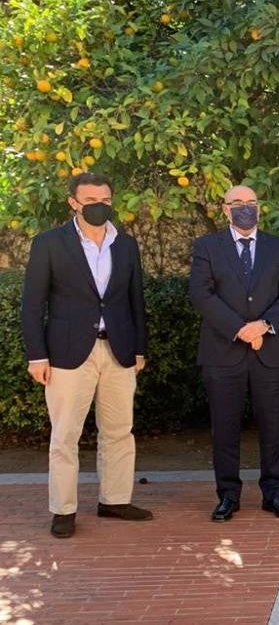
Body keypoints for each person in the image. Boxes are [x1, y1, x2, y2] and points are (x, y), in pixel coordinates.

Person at [21, 173, 151, 538]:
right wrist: (36, 355)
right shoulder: (49, 243)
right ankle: (63, 509)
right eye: (91, 198)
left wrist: (140, 346)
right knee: (65, 435)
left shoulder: (125, 244)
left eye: (106, 199)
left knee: (119, 431)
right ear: (73, 203)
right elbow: (32, 304)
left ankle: (115, 500)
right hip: (66, 354)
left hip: (118, 349)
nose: (99, 205)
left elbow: (135, 300)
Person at [189, 185, 279, 522]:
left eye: (251, 203)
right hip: (223, 352)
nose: (245, 208)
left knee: (273, 428)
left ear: (259, 208)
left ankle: (274, 494)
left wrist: (265, 325)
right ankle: (228, 496)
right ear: (225, 209)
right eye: (237, 203)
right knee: (224, 428)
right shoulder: (207, 247)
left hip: (271, 350)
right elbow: (201, 294)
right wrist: (241, 328)